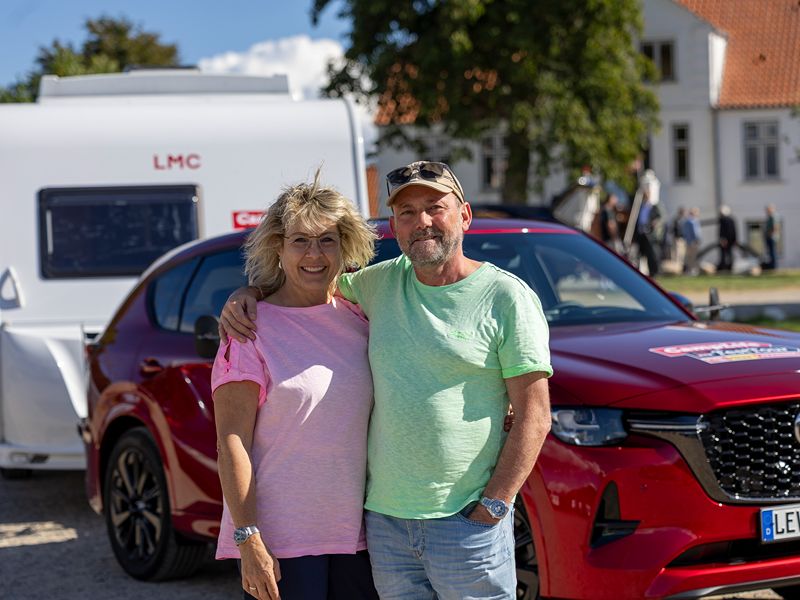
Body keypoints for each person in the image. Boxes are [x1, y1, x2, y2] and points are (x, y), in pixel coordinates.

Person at [221, 160, 553, 599]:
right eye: (408, 213)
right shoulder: (376, 287)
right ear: (393, 226)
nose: (423, 223)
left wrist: (494, 504)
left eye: (435, 207)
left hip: (459, 522)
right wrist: (248, 293)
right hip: (381, 528)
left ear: (465, 215)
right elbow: (306, 286)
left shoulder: (503, 297)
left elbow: (535, 415)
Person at [212, 173, 381, 600]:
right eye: (300, 241)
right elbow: (232, 442)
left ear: (346, 246)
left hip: (357, 536)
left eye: (327, 240)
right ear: (277, 247)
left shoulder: (360, 318)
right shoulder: (249, 328)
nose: (314, 254)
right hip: (281, 542)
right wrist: (248, 538)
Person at [634, 190, 661, 276]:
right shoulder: (638, 207)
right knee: (639, 254)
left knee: (651, 254)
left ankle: (653, 272)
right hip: (640, 233)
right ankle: (639, 271)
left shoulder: (653, 207)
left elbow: (659, 218)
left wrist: (654, 224)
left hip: (649, 234)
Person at [682, 207, 702, 275]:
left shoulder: (686, 221)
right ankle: (693, 270)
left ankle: (689, 269)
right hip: (694, 242)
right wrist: (697, 239)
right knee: (694, 257)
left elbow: (684, 233)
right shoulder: (693, 221)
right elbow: (696, 232)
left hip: (688, 242)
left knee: (689, 257)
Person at [717, 205, 737, 272]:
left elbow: (722, 231)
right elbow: (734, 231)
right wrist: (734, 240)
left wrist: (723, 239)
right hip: (731, 240)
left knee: (724, 254)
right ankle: (730, 266)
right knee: (729, 254)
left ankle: (723, 267)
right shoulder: (732, 220)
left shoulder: (723, 220)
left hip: (725, 240)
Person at [763, 203, 780, 270]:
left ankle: (773, 266)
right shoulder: (769, 217)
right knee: (770, 252)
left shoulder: (774, 216)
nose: (767, 211)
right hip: (769, 237)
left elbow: (775, 227)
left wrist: (770, 234)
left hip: (772, 237)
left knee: (773, 252)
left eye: (768, 210)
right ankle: (771, 265)